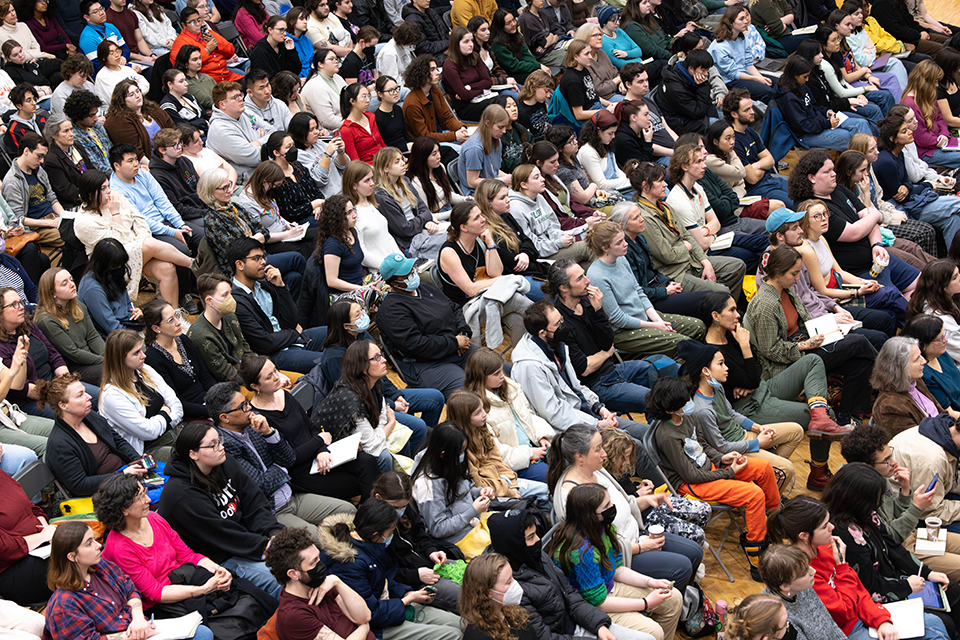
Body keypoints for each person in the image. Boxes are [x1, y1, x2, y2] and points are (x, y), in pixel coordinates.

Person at [698, 289, 853, 489]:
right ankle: (818, 473)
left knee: (813, 361)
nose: (738, 315)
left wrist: (748, 381)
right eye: (732, 310)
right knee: (829, 413)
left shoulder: (733, 334)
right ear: (715, 316)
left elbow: (758, 365)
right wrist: (745, 351)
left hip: (763, 389)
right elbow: (750, 377)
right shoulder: (710, 351)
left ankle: (819, 415)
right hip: (750, 408)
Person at [647, 376, 780, 580]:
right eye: (684, 401)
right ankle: (756, 556)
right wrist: (729, 472)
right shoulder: (666, 436)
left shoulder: (689, 417)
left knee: (764, 467)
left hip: (709, 469)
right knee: (754, 495)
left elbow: (704, 446)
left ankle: (774, 520)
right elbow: (690, 475)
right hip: (692, 484)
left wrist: (722, 457)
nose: (690, 403)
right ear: (670, 409)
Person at [548, 423, 704, 593]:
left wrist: (648, 499)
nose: (604, 454)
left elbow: (624, 505)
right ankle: (672, 610)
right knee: (682, 567)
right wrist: (640, 547)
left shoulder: (596, 471)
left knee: (695, 552)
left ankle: (686, 603)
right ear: (580, 456)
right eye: (598, 449)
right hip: (621, 556)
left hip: (638, 536)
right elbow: (596, 547)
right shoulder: (572, 495)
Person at [745, 244, 879, 424]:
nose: (798, 278)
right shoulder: (765, 305)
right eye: (794, 273)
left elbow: (805, 322)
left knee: (860, 362)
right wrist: (806, 345)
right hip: (789, 362)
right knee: (860, 342)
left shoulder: (787, 290)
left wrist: (828, 328)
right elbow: (771, 350)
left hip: (806, 342)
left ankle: (847, 418)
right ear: (777, 272)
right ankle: (889, 382)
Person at [823, 463, 960, 635]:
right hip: (878, 596)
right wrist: (906, 585)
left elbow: (892, 546)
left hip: (893, 579)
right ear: (859, 501)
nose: (879, 504)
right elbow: (869, 584)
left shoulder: (866, 515)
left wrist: (925, 572)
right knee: (942, 621)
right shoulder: (844, 534)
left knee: (952, 590)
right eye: (875, 499)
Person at [788, 149, 920, 326]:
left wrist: (877, 245)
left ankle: (916, 320)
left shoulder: (839, 190)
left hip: (875, 255)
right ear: (812, 177)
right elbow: (855, 231)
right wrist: (875, 215)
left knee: (920, 282)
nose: (834, 174)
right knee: (892, 296)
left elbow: (868, 218)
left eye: (833, 169)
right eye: (827, 172)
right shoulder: (811, 208)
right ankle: (917, 330)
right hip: (858, 268)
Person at [157, 421, 284, 598]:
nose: (221, 447)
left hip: (246, 539)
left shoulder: (224, 462)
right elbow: (221, 535)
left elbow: (254, 502)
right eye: (213, 445)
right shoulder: (180, 495)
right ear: (193, 454)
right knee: (283, 579)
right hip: (219, 557)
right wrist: (265, 547)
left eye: (220, 440)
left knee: (303, 555)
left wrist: (274, 533)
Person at [486, 505, 647, 640]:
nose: (538, 541)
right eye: (530, 537)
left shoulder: (537, 556)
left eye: (536, 534)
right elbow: (544, 637)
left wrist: (598, 625)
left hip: (577, 622)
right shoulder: (509, 587)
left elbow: (570, 595)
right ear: (514, 544)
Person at [92, 476, 222, 640]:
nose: (148, 499)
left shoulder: (153, 518)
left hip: (184, 582)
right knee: (210, 631)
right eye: (140, 497)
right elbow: (155, 593)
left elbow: (187, 555)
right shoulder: (119, 548)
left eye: (144, 492)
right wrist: (201, 589)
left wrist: (218, 570)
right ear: (124, 509)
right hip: (161, 605)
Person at [547, 255, 683, 413]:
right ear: (564, 288)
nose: (588, 281)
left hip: (615, 369)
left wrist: (598, 311)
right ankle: (665, 432)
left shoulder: (588, 302)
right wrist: (606, 353)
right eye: (580, 279)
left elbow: (608, 342)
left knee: (668, 366)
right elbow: (584, 368)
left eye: (584, 274)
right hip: (598, 386)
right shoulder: (560, 322)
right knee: (657, 399)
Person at [548, 482, 684, 640]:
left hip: (607, 588)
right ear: (590, 516)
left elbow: (617, 569)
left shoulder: (603, 528)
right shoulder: (582, 552)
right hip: (591, 604)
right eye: (606, 506)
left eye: (610, 502)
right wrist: (646, 602)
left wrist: (651, 582)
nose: (612, 507)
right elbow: (598, 602)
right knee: (653, 632)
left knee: (674, 598)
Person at [316, 498, 463, 640]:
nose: (392, 536)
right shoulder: (350, 563)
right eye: (390, 532)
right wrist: (407, 600)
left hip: (392, 603)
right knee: (454, 635)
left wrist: (408, 592)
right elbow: (371, 614)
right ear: (375, 535)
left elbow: (387, 578)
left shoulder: (371, 546)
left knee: (460, 624)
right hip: (379, 625)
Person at [841, 423, 960, 581]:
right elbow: (889, 540)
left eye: (891, 455)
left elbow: (894, 515)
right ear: (866, 466)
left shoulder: (880, 478)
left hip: (911, 536)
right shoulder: (858, 496)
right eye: (886, 460)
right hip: (901, 550)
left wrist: (905, 491)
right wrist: (916, 508)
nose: (894, 463)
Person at [680, 339, 803, 490]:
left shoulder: (716, 387)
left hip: (744, 435)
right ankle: (768, 504)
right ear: (705, 371)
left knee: (796, 431)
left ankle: (767, 478)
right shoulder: (702, 410)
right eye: (720, 364)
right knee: (787, 468)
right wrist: (757, 444)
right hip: (734, 449)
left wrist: (759, 428)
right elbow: (721, 447)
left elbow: (731, 414)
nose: (726, 368)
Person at [74, 170, 190, 310]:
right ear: (90, 193)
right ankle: (193, 265)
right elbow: (116, 244)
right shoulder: (83, 222)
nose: (109, 191)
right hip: (111, 263)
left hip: (137, 248)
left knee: (167, 268)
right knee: (150, 244)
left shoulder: (116, 196)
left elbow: (139, 219)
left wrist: (142, 240)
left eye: (108, 186)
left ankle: (173, 315)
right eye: (103, 189)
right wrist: (115, 213)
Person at [312, 340, 417, 473]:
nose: (384, 360)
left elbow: (381, 417)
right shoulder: (350, 400)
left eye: (381, 355)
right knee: (384, 456)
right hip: (331, 450)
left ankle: (403, 480)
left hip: (364, 438)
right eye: (377, 358)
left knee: (404, 434)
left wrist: (379, 430)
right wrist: (391, 423)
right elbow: (373, 446)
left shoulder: (375, 383)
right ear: (362, 367)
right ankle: (387, 490)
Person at [199, 167, 306, 297]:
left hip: (258, 256)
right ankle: (319, 297)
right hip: (242, 268)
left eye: (229, 185)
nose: (229, 190)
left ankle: (295, 314)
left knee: (294, 278)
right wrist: (255, 239)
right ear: (210, 193)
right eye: (224, 188)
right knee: (297, 258)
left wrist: (251, 240)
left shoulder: (235, 208)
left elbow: (264, 231)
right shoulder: (212, 220)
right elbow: (235, 252)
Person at [42, 522, 158, 640]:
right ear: (72, 557)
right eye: (89, 543)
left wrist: (138, 618)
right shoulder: (64, 605)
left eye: (94, 539)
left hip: (141, 629)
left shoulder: (101, 565)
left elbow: (130, 590)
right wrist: (134, 635)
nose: (98, 545)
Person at [369, 471, 463, 614]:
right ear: (378, 498)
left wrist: (431, 551)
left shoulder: (405, 509)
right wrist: (415, 575)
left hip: (427, 564)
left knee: (479, 576)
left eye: (404, 506)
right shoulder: (372, 525)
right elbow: (383, 572)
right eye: (395, 507)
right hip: (411, 582)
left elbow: (420, 534)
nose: (400, 511)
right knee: (467, 596)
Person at [39, 372, 144, 497]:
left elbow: (118, 441)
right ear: (63, 405)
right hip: (109, 494)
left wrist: (138, 461)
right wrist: (122, 475)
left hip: (127, 476)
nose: (88, 396)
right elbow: (80, 485)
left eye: (85, 392)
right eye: (80, 395)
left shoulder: (90, 416)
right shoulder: (59, 445)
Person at [228, 237, 323, 373]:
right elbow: (264, 343)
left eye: (263, 257)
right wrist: (294, 333)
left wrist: (281, 287)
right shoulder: (236, 301)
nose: (264, 262)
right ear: (240, 264)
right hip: (274, 355)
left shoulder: (265, 284)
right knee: (330, 360)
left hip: (292, 340)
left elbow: (292, 321)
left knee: (343, 329)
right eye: (257, 258)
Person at [263, 526, 374, 640]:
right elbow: (364, 622)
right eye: (313, 562)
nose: (320, 565)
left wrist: (337, 582)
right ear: (293, 574)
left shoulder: (320, 583)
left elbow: (364, 616)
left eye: (318, 558)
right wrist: (364, 628)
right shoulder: (294, 615)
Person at [463, 347, 553, 483]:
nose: (502, 376)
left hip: (535, 447)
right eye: (496, 373)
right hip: (517, 463)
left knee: (572, 462)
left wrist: (542, 436)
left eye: (501, 370)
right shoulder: (477, 409)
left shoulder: (510, 387)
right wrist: (529, 453)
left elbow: (528, 416)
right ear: (480, 377)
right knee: (554, 477)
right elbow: (495, 453)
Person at [847, 132, 941, 257]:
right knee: (923, 232)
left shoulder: (870, 169)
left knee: (928, 229)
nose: (877, 152)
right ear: (860, 154)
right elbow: (866, 213)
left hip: (882, 213)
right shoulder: (855, 181)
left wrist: (891, 211)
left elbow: (879, 199)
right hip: (877, 224)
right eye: (872, 150)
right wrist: (889, 217)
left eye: (876, 147)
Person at [874, 114, 960, 249]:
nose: (910, 131)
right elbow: (902, 197)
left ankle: (953, 262)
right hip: (902, 210)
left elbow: (906, 184)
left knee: (952, 220)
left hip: (914, 200)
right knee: (958, 204)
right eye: (904, 131)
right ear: (893, 139)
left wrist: (909, 186)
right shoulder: (886, 161)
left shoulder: (899, 153)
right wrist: (928, 185)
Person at [410, 422, 495, 556]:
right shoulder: (427, 485)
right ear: (443, 454)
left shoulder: (452, 462)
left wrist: (479, 492)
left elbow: (466, 489)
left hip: (476, 521)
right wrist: (472, 511)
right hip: (459, 538)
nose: (463, 454)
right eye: (460, 451)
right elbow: (437, 529)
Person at [99, 328, 182, 461]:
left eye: (141, 350)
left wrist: (162, 421)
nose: (143, 355)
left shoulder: (145, 369)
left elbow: (176, 404)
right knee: (192, 454)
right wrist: (165, 413)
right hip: (146, 451)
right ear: (120, 359)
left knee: (207, 439)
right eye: (136, 353)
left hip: (172, 432)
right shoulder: (112, 395)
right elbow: (148, 432)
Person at [142, 299, 215, 421]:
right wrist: (211, 411)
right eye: (171, 320)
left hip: (208, 400)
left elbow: (205, 376)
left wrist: (221, 397)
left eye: (176, 315)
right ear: (156, 328)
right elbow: (176, 401)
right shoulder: (153, 358)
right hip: (190, 412)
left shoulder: (183, 340)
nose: (178, 322)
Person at [872, 335, 959, 436]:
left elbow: (941, 413)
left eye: (921, 355)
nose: (924, 361)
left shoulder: (915, 381)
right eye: (917, 359)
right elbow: (916, 444)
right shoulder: (889, 407)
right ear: (900, 367)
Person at [721, 89, 793, 206]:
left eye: (751, 107)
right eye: (747, 110)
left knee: (806, 194)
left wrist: (757, 165)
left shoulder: (750, 131)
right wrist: (763, 165)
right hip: (755, 189)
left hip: (770, 180)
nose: (752, 112)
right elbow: (752, 178)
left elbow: (770, 160)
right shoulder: (733, 141)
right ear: (734, 114)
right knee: (795, 204)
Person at [1, 133, 64, 265]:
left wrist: (64, 216)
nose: (42, 161)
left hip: (54, 219)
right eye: (39, 156)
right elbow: (19, 219)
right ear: (26, 151)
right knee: (74, 237)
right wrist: (50, 223)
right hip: (39, 226)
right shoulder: (12, 181)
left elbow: (52, 198)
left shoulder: (39, 171)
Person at [33, 267, 102, 384]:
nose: (72, 285)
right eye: (64, 284)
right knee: (112, 371)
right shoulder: (46, 320)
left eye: (71, 280)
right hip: (74, 367)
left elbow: (93, 336)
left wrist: (111, 356)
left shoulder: (79, 306)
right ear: (52, 293)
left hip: (91, 357)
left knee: (125, 359)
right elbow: (73, 353)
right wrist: (106, 361)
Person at [148, 129, 208, 253]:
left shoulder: (184, 161)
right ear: (162, 150)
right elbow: (177, 208)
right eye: (174, 145)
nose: (179, 147)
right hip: (185, 216)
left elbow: (200, 189)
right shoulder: (158, 175)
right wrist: (205, 212)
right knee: (213, 227)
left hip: (200, 208)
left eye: (179, 143)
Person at [187, 273, 253, 384]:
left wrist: (261, 367)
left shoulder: (229, 316)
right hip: (229, 385)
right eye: (225, 295)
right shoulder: (200, 336)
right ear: (209, 301)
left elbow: (245, 348)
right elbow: (226, 374)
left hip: (246, 371)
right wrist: (258, 379)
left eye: (230, 293)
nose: (231, 299)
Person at [403, 55, 468, 166]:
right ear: (422, 74)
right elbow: (424, 136)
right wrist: (454, 136)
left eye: (436, 69)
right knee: (466, 152)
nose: (437, 72)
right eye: (432, 70)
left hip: (442, 134)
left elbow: (447, 117)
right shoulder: (412, 103)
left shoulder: (435, 90)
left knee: (476, 143)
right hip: (429, 145)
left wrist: (461, 129)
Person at [206, 81, 275, 182]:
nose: (240, 99)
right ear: (222, 104)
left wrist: (258, 142)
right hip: (246, 182)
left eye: (240, 95)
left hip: (264, 171)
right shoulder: (220, 129)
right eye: (235, 97)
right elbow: (255, 157)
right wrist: (267, 142)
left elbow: (273, 131)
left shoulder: (245, 112)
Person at [708, 7, 775, 103]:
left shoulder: (743, 39)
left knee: (778, 83)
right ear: (731, 23)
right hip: (729, 81)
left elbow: (748, 64)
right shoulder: (720, 47)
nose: (746, 20)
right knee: (767, 91)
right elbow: (733, 74)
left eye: (746, 17)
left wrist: (760, 78)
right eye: (741, 19)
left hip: (743, 74)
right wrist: (755, 79)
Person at [342, 160, 402, 270]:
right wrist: (388, 265)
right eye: (367, 180)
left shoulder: (372, 204)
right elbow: (362, 252)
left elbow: (387, 236)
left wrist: (401, 259)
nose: (372, 183)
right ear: (354, 185)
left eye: (372, 178)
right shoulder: (353, 214)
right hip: (379, 271)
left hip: (394, 265)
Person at [901, 60, 960, 168]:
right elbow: (921, 138)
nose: (937, 85)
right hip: (926, 151)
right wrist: (947, 141)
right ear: (925, 81)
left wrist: (944, 134)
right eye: (935, 81)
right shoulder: (909, 104)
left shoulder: (928, 95)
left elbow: (940, 118)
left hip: (940, 141)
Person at [75, 239, 139, 336]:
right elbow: (111, 327)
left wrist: (136, 313)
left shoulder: (111, 274)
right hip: (117, 336)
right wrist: (135, 336)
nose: (119, 267)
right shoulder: (92, 289)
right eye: (115, 265)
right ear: (104, 264)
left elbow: (127, 302)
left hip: (129, 324)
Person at [902, 313, 960, 413]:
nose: (946, 340)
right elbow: (949, 413)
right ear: (923, 345)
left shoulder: (941, 354)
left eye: (944, 335)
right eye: (940, 338)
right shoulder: (923, 374)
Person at [170, 7, 242, 86]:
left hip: (227, 75)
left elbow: (231, 52)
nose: (198, 24)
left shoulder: (208, 33)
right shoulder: (181, 42)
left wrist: (217, 44)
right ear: (184, 25)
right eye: (193, 22)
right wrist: (207, 50)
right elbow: (184, 66)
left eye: (199, 20)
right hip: (207, 82)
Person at [443, 27, 499, 122]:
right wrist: (482, 91)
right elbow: (464, 95)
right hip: (466, 107)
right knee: (500, 105)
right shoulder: (449, 65)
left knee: (506, 101)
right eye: (466, 42)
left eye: (472, 41)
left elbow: (487, 82)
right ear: (456, 44)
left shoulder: (474, 57)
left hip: (482, 98)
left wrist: (470, 87)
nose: (471, 45)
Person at [289, 112, 348, 196]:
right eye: (311, 130)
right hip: (329, 198)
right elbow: (319, 179)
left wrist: (341, 152)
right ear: (300, 132)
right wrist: (327, 155)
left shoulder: (318, 143)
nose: (316, 132)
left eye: (316, 128)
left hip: (343, 190)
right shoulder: (298, 155)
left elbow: (343, 166)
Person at [410, 136, 468, 219]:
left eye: (438, 151)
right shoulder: (417, 183)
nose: (439, 156)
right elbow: (427, 216)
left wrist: (465, 199)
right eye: (434, 154)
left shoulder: (440, 167)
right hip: (438, 219)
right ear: (423, 158)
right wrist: (454, 212)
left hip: (449, 210)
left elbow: (448, 194)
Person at [41, 115, 90, 210]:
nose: (71, 134)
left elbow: (91, 168)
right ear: (54, 135)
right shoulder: (51, 160)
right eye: (66, 131)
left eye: (71, 129)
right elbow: (66, 190)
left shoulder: (76, 146)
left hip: (91, 192)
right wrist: (91, 195)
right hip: (74, 203)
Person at [490, 10, 548, 85]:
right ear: (501, 26)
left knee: (545, 74)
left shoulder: (516, 35)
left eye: (513, 20)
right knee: (539, 80)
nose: (513, 24)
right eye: (508, 23)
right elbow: (514, 66)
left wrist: (538, 66)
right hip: (511, 74)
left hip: (523, 67)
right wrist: (536, 66)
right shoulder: (497, 45)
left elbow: (525, 54)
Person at [62, 88, 111, 174]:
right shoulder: (75, 136)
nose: (96, 118)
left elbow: (111, 148)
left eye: (96, 113)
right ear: (79, 115)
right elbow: (95, 166)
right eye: (91, 115)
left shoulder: (97, 126)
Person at [300, 49, 347, 131]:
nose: (336, 62)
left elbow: (351, 100)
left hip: (345, 123)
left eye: (336, 59)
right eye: (331, 59)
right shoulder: (314, 85)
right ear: (320, 64)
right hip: (327, 132)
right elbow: (328, 121)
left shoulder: (337, 77)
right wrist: (354, 123)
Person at [339, 84, 385, 164]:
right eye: (364, 97)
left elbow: (381, 144)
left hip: (383, 162)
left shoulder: (370, 116)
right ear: (352, 101)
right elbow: (356, 163)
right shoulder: (347, 129)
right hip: (369, 169)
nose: (368, 100)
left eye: (369, 95)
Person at [93, 40, 148, 107]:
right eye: (112, 53)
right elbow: (115, 99)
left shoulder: (127, 69)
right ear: (104, 58)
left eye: (117, 51)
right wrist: (136, 89)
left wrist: (131, 93)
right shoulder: (102, 76)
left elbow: (146, 85)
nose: (117, 55)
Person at [249, 16, 301, 80]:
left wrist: (291, 51)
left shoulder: (283, 45)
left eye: (285, 30)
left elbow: (296, 70)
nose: (284, 33)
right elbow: (267, 80)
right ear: (270, 30)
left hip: (286, 84)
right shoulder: (260, 52)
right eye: (281, 30)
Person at [159, 69, 207, 134]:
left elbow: (205, 115)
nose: (186, 84)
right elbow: (182, 128)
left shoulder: (189, 97)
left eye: (185, 80)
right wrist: (203, 123)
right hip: (189, 138)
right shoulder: (167, 106)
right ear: (170, 84)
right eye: (181, 81)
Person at [377, 22, 420, 93]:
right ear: (403, 41)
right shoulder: (389, 53)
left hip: (409, 83)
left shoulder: (404, 47)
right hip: (397, 90)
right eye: (410, 43)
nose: (411, 46)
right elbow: (392, 81)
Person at [374, 75, 413, 154]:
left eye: (396, 88)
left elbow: (406, 135)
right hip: (393, 154)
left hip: (407, 148)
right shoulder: (377, 118)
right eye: (391, 90)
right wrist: (405, 147)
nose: (396, 93)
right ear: (380, 94)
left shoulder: (397, 109)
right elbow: (382, 147)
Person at [173, 45, 215, 111]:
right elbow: (206, 101)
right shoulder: (185, 83)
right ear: (185, 63)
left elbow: (221, 93)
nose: (199, 62)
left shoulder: (206, 77)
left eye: (200, 58)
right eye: (195, 60)